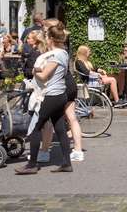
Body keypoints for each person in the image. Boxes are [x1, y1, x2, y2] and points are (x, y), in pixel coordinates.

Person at [15, 24, 73, 174]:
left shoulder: (56, 55)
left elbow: (44, 75)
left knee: (36, 128)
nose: (46, 40)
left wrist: (35, 71)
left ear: (51, 39)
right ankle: (66, 163)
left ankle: (32, 165)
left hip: (52, 95)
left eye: (47, 37)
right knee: (60, 129)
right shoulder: (64, 53)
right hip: (60, 94)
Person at [39, 19, 84, 162]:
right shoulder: (64, 43)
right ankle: (78, 150)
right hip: (69, 82)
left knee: (48, 121)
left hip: (58, 84)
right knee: (72, 118)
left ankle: (44, 152)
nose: (44, 31)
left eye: (45, 29)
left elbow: (46, 68)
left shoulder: (52, 46)